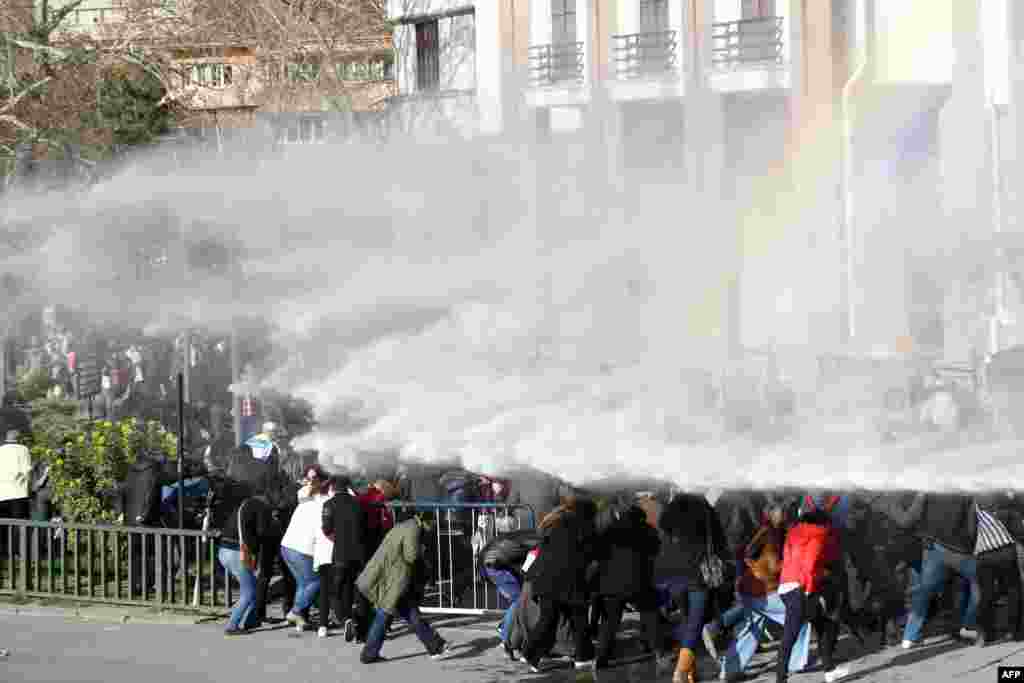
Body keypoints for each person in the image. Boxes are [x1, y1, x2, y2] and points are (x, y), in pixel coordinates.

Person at [356, 512, 454, 664]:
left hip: (389, 578)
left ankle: (435, 646)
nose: (433, 526)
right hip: (392, 580)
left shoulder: (405, 526)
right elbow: (411, 555)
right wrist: (422, 551)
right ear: (426, 521)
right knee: (388, 615)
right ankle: (435, 647)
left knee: (404, 614)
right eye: (433, 523)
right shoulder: (413, 530)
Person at [519, 496, 599, 674]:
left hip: (545, 578)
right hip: (569, 580)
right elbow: (592, 554)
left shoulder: (556, 522)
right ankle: (583, 658)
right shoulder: (584, 526)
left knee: (547, 620)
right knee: (579, 621)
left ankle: (529, 653)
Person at [654, 492, 728, 683]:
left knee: (689, 622)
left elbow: (663, 527)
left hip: (674, 575)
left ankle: (690, 674)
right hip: (698, 573)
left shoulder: (672, 508)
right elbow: (720, 539)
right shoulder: (704, 508)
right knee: (695, 623)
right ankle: (681, 671)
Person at [775, 499, 847, 683]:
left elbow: (790, 560)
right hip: (799, 589)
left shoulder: (794, 533)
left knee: (822, 624)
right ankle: (780, 678)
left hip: (785, 586)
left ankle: (829, 671)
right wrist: (809, 590)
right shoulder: (817, 536)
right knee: (792, 634)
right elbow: (809, 566)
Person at [592, 503, 666, 675]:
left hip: (610, 584)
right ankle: (658, 651)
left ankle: (601, 658)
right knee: (650, 615)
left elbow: (598, 553)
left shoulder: (610, 530)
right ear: (641, 517)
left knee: (610, 622)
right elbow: (656, 550)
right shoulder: (647, 530)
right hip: (639, 583)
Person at [479, 528, 544, 660]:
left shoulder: (533, 534)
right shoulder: (540, 541)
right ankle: (505, 633)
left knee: (519, 598)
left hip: (492, 560)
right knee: (519, 600)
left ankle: (505, 628)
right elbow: (528, 565)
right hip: (495, 563)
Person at [279, 466, 330, 632]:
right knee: (316, 582)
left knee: (303, 583)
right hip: (302, 549)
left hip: (288, 546)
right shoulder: (323, 501)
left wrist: (314, 481)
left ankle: (300, 620)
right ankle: (294, 612)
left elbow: (306, 489)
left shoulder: (305, 497)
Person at [320, 474, 370, 643]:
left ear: (333, 487)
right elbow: (365, 527)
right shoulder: (358, 504)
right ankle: (361, 632)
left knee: (342, 589)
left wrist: (338, 538)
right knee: (361, 590)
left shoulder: (329, 504)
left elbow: (326, 529)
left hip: (341, 553)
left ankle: (346, 618)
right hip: (361, 553)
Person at [217, 494, 273, 636]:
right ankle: (232, 626)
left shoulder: (242, 506)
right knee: (248, 593)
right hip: (238, 553)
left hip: (224, 551)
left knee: (251, 585)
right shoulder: (261, 507)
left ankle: (251, 621)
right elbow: (262, 531)